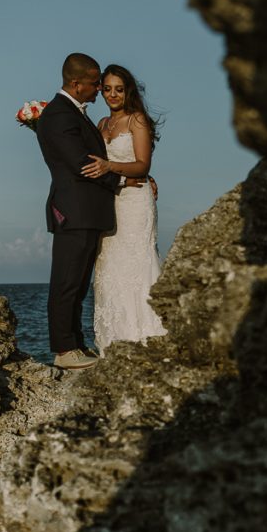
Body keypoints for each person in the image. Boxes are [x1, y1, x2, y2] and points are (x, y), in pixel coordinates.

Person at [36, 53, 149, 369]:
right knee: (66, 282)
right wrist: (126, 180)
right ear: (76, 83)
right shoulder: (60, 115)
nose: (99, 88)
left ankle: (75, 343)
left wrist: (140, 175)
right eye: (95, 82)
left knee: (78, 282)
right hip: (74, 211)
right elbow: (83, 164)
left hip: (87, 212)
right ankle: (62, 350)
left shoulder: (73, 113)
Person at [80, 64, 167, 351]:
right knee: (110, 268)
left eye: (119, 89)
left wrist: (110, 165)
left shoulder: (136, 120)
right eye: (107, 89)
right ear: (101, 91)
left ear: (128, 90)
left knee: (137, 264)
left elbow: (143, 164)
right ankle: (112, 342)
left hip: (135, 203)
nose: (113, 94)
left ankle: (146, 337)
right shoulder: (102, 124)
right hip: (111, 200)